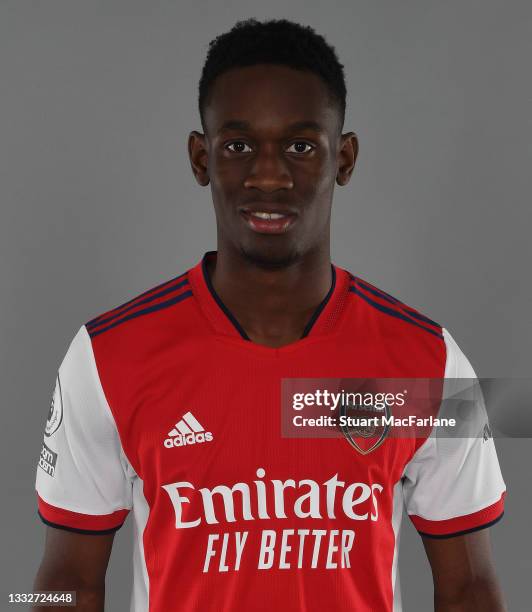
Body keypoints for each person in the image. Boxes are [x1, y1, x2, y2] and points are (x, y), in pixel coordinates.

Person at [33, 18, 507, 612]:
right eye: (238, 146)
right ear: (201, 158)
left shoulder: (431, 361)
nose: (268, 175)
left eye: (301, 147)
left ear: (346, 157)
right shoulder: (104, 358)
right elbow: (61, 584)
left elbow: (471, 587)